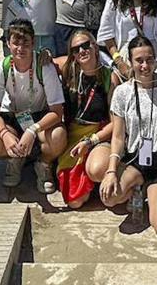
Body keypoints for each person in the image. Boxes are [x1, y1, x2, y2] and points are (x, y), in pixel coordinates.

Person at [100, 36, 157, 239]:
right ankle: (141, 188)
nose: (145, 65)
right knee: (109, 197)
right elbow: (118, 136)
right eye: (139, 60)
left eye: (149, 59)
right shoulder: (122, 92)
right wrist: (112, 170)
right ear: (130, 62)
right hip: (137, 159)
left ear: (156, 59)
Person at [0, 19, 67, 190]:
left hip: (40, 118)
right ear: (8, 43)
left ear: (33, 43)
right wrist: (5, 135)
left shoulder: (44, 66)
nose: (20, 49)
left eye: (25, 43)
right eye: (15, 43)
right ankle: (15, 159)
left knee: (58, 136)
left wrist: (32, 130)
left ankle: (43, 164)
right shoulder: (1, 69)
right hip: (14, 116)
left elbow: (57, 112)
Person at [54, 29, 118, 207]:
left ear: (95, 46)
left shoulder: (109, 77)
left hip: (98, 134)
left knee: (97, 169)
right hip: (73, 133)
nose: (81, 51)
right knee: (75, 201)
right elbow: (47, 62)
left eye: (85, 45)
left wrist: (91, 141)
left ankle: (105, 175)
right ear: (72, 55)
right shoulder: (69, 71)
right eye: (76, 49)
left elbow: (116, 124)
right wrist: (43, 56)